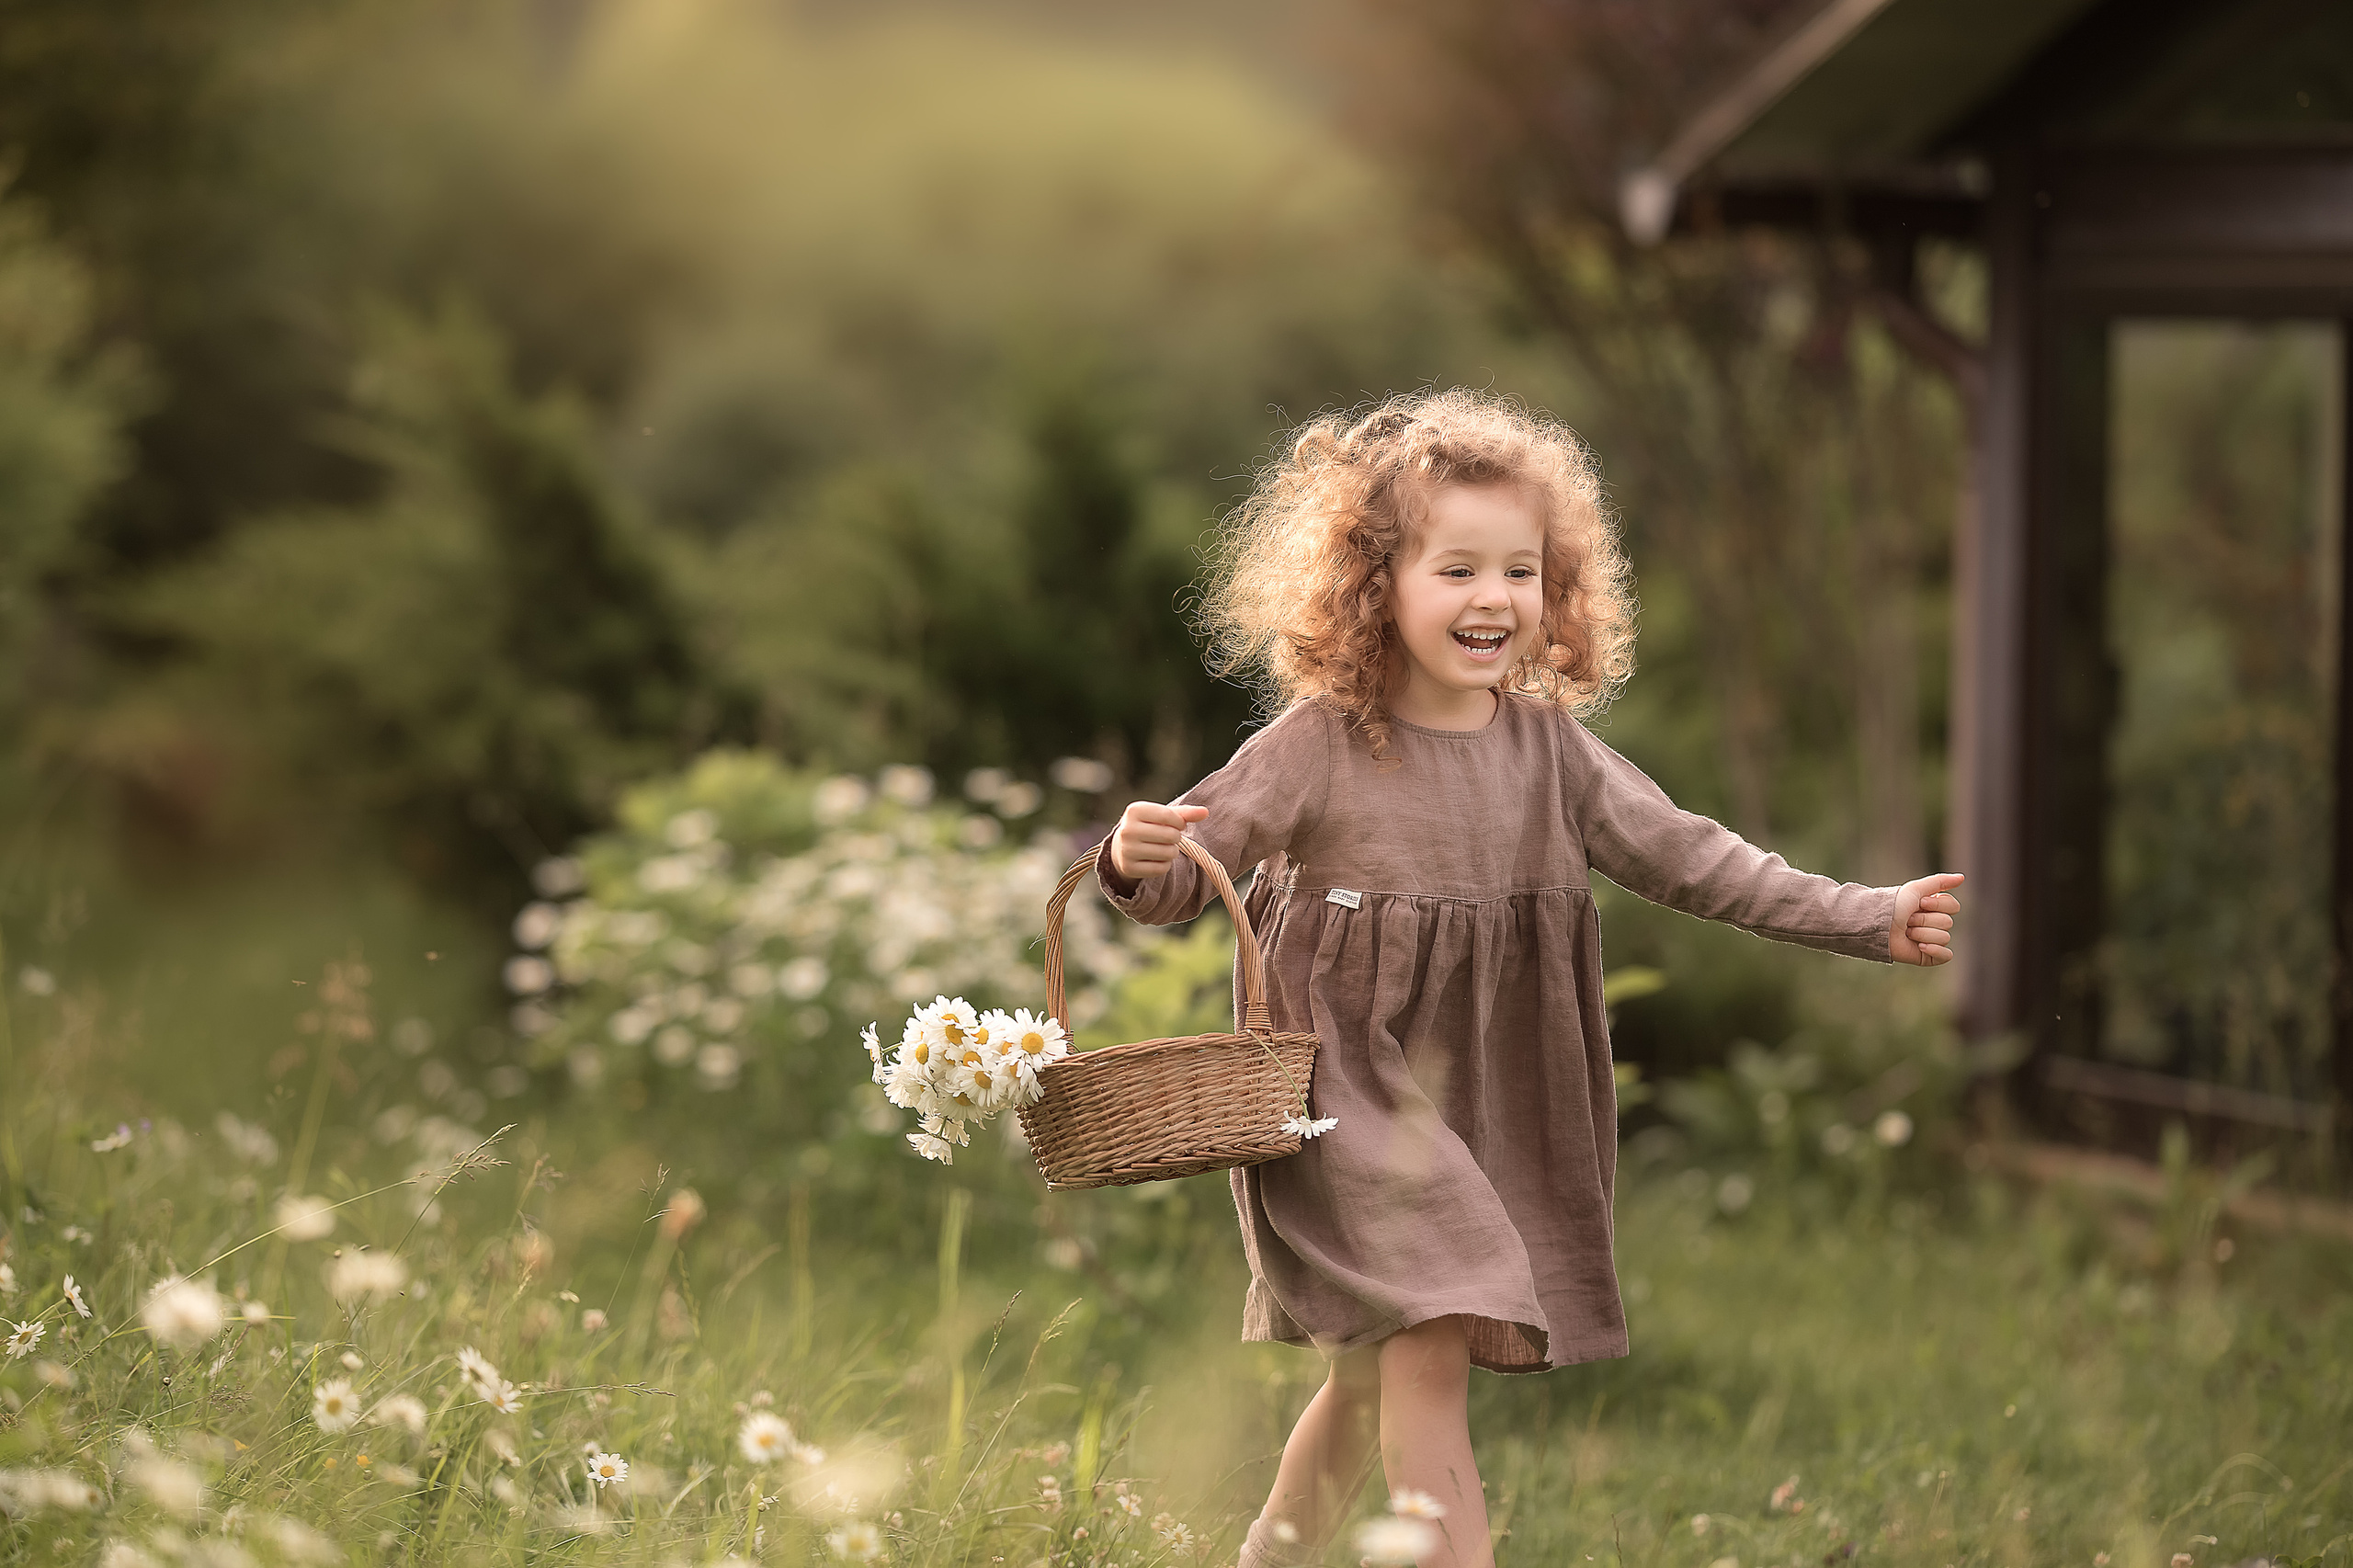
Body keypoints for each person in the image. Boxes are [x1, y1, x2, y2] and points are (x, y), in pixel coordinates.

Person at [1097, 390, 1962, 1568]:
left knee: (1370, 1372)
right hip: (1340, 1088)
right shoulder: (1318, 741)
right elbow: (1192, 858)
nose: (1492, 598)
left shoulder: (1550, 750)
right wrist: (1131, 858)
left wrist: (1870, 916)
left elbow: (1696, 857)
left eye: (1519, 570)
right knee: (1432, 1334)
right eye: (1455, 569)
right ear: (1375, 585)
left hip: (1481, 1088)